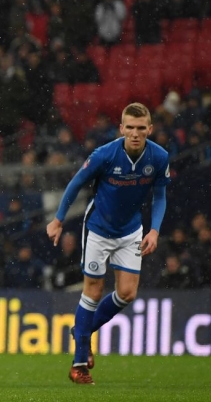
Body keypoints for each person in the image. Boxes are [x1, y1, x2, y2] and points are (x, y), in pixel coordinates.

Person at [46, 103, 170, 385]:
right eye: (130, 128)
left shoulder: (159, 157)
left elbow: (160, 195)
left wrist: (155, 230)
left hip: (130, 232)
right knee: (93, 289)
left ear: (150, 130)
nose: (136, 134)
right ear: (122, 128)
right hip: (99, 229)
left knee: (127, 294)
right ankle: (79, 365)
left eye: (141, 129)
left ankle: (83, 331)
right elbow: (76, 182)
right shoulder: (105, 154)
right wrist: (58, 219)